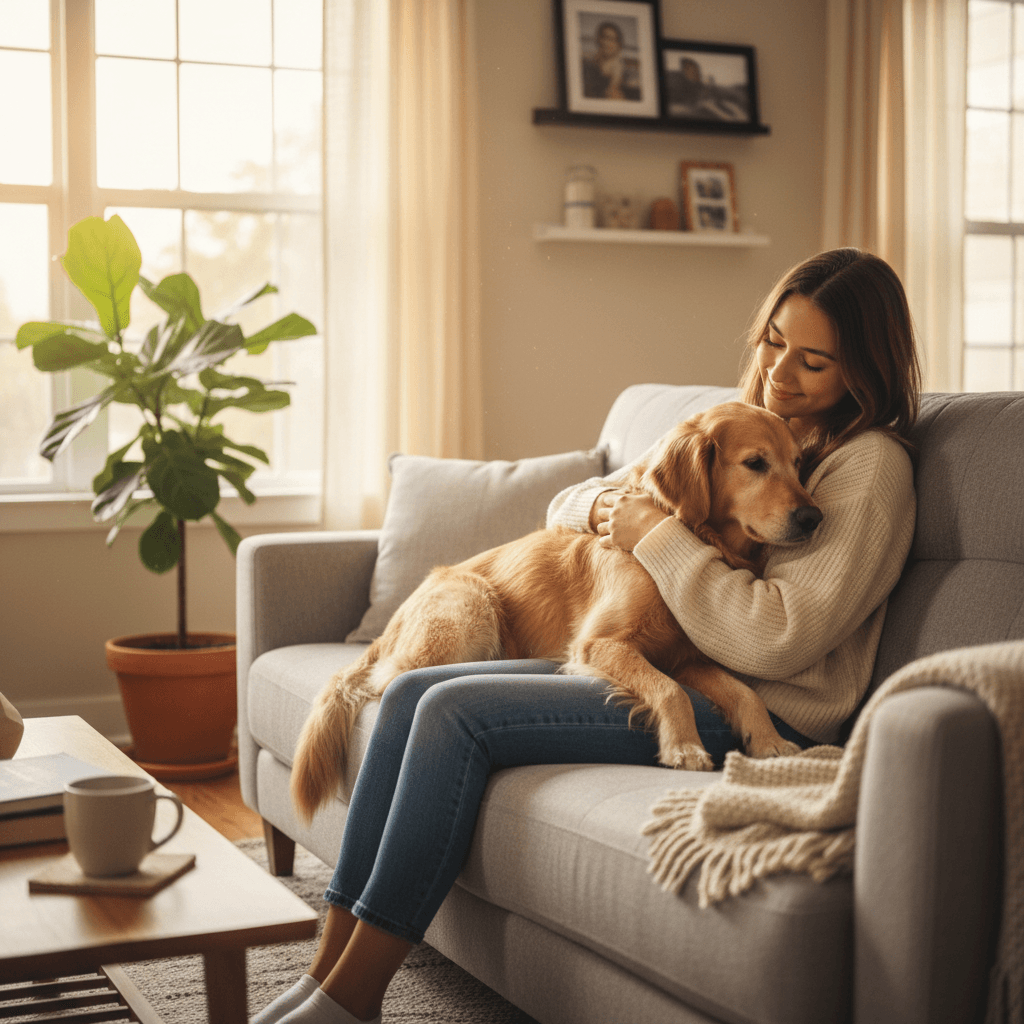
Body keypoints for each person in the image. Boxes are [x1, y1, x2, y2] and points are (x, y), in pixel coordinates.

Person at [251, 248, 921, 1024]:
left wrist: (653, 534)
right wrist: (625, 516)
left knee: (452, 715)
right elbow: (575, 500)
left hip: (765, 702)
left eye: (813, 360)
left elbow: (773, 640)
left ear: (864, 369)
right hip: (690, 668)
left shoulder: (868, 468)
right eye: (773, 342)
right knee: (410, 693)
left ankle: (353, 999)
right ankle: (326, 969)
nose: (779, 372)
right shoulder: (754, 425)